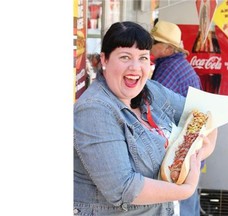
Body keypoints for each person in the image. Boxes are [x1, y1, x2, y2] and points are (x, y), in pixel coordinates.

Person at [74, 21, 217, 216]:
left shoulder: (151, 90)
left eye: (143, 58)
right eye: (125, 57)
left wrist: (198, 153)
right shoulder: (94, 110)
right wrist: (186, 189)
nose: (135, 67)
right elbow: (124, 188)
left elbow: (206, 113)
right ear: (104, 60)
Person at [150, 20, 206, 216]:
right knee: (188, 197)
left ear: (167, 48)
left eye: (154, 41)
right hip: (191, 142)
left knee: (182, 197)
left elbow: (153, 107)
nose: (150, 44)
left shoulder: (168, 69)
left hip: (180, 147)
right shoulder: (177, 64)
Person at [150, 20, 201, 97]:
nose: (148, 44)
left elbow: (153, 100)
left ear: (169, 49)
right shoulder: (176, 62)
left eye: (153, 42)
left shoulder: (168, 67)